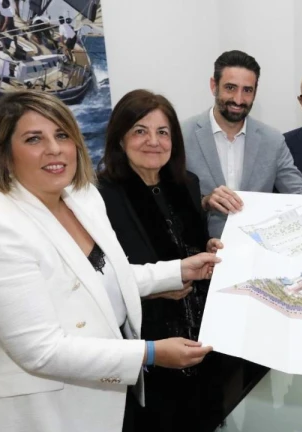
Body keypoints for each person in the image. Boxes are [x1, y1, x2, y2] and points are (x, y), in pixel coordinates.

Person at [0, 90, 220, 432]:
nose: (54, 148)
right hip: (60, 412)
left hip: (118, 393)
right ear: (3, 154)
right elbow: (42, 351)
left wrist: (179, 270)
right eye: (34, 138)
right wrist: (150, 353)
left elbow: (106, 280)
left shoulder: (83, 198)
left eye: (62, 135)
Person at [97, 89, 233, 432]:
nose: (153, 142)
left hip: (203, 332)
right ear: (120, 138)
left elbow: (188, 245)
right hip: (150, 345)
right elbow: (101, 277)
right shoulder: (100, 197)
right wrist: (156, 287)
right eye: (140, 131)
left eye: (163, 132)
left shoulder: (186, 183)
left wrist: (208, 247)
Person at [181, 50, 302, 238]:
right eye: (230, 88)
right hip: (200, 246)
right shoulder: (182, 135)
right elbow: (171, 200)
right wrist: (205, 201)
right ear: (214, 86)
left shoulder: (272, 140)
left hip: (255, 246)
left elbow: (299, 193)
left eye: (247, 90)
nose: (238, 99)